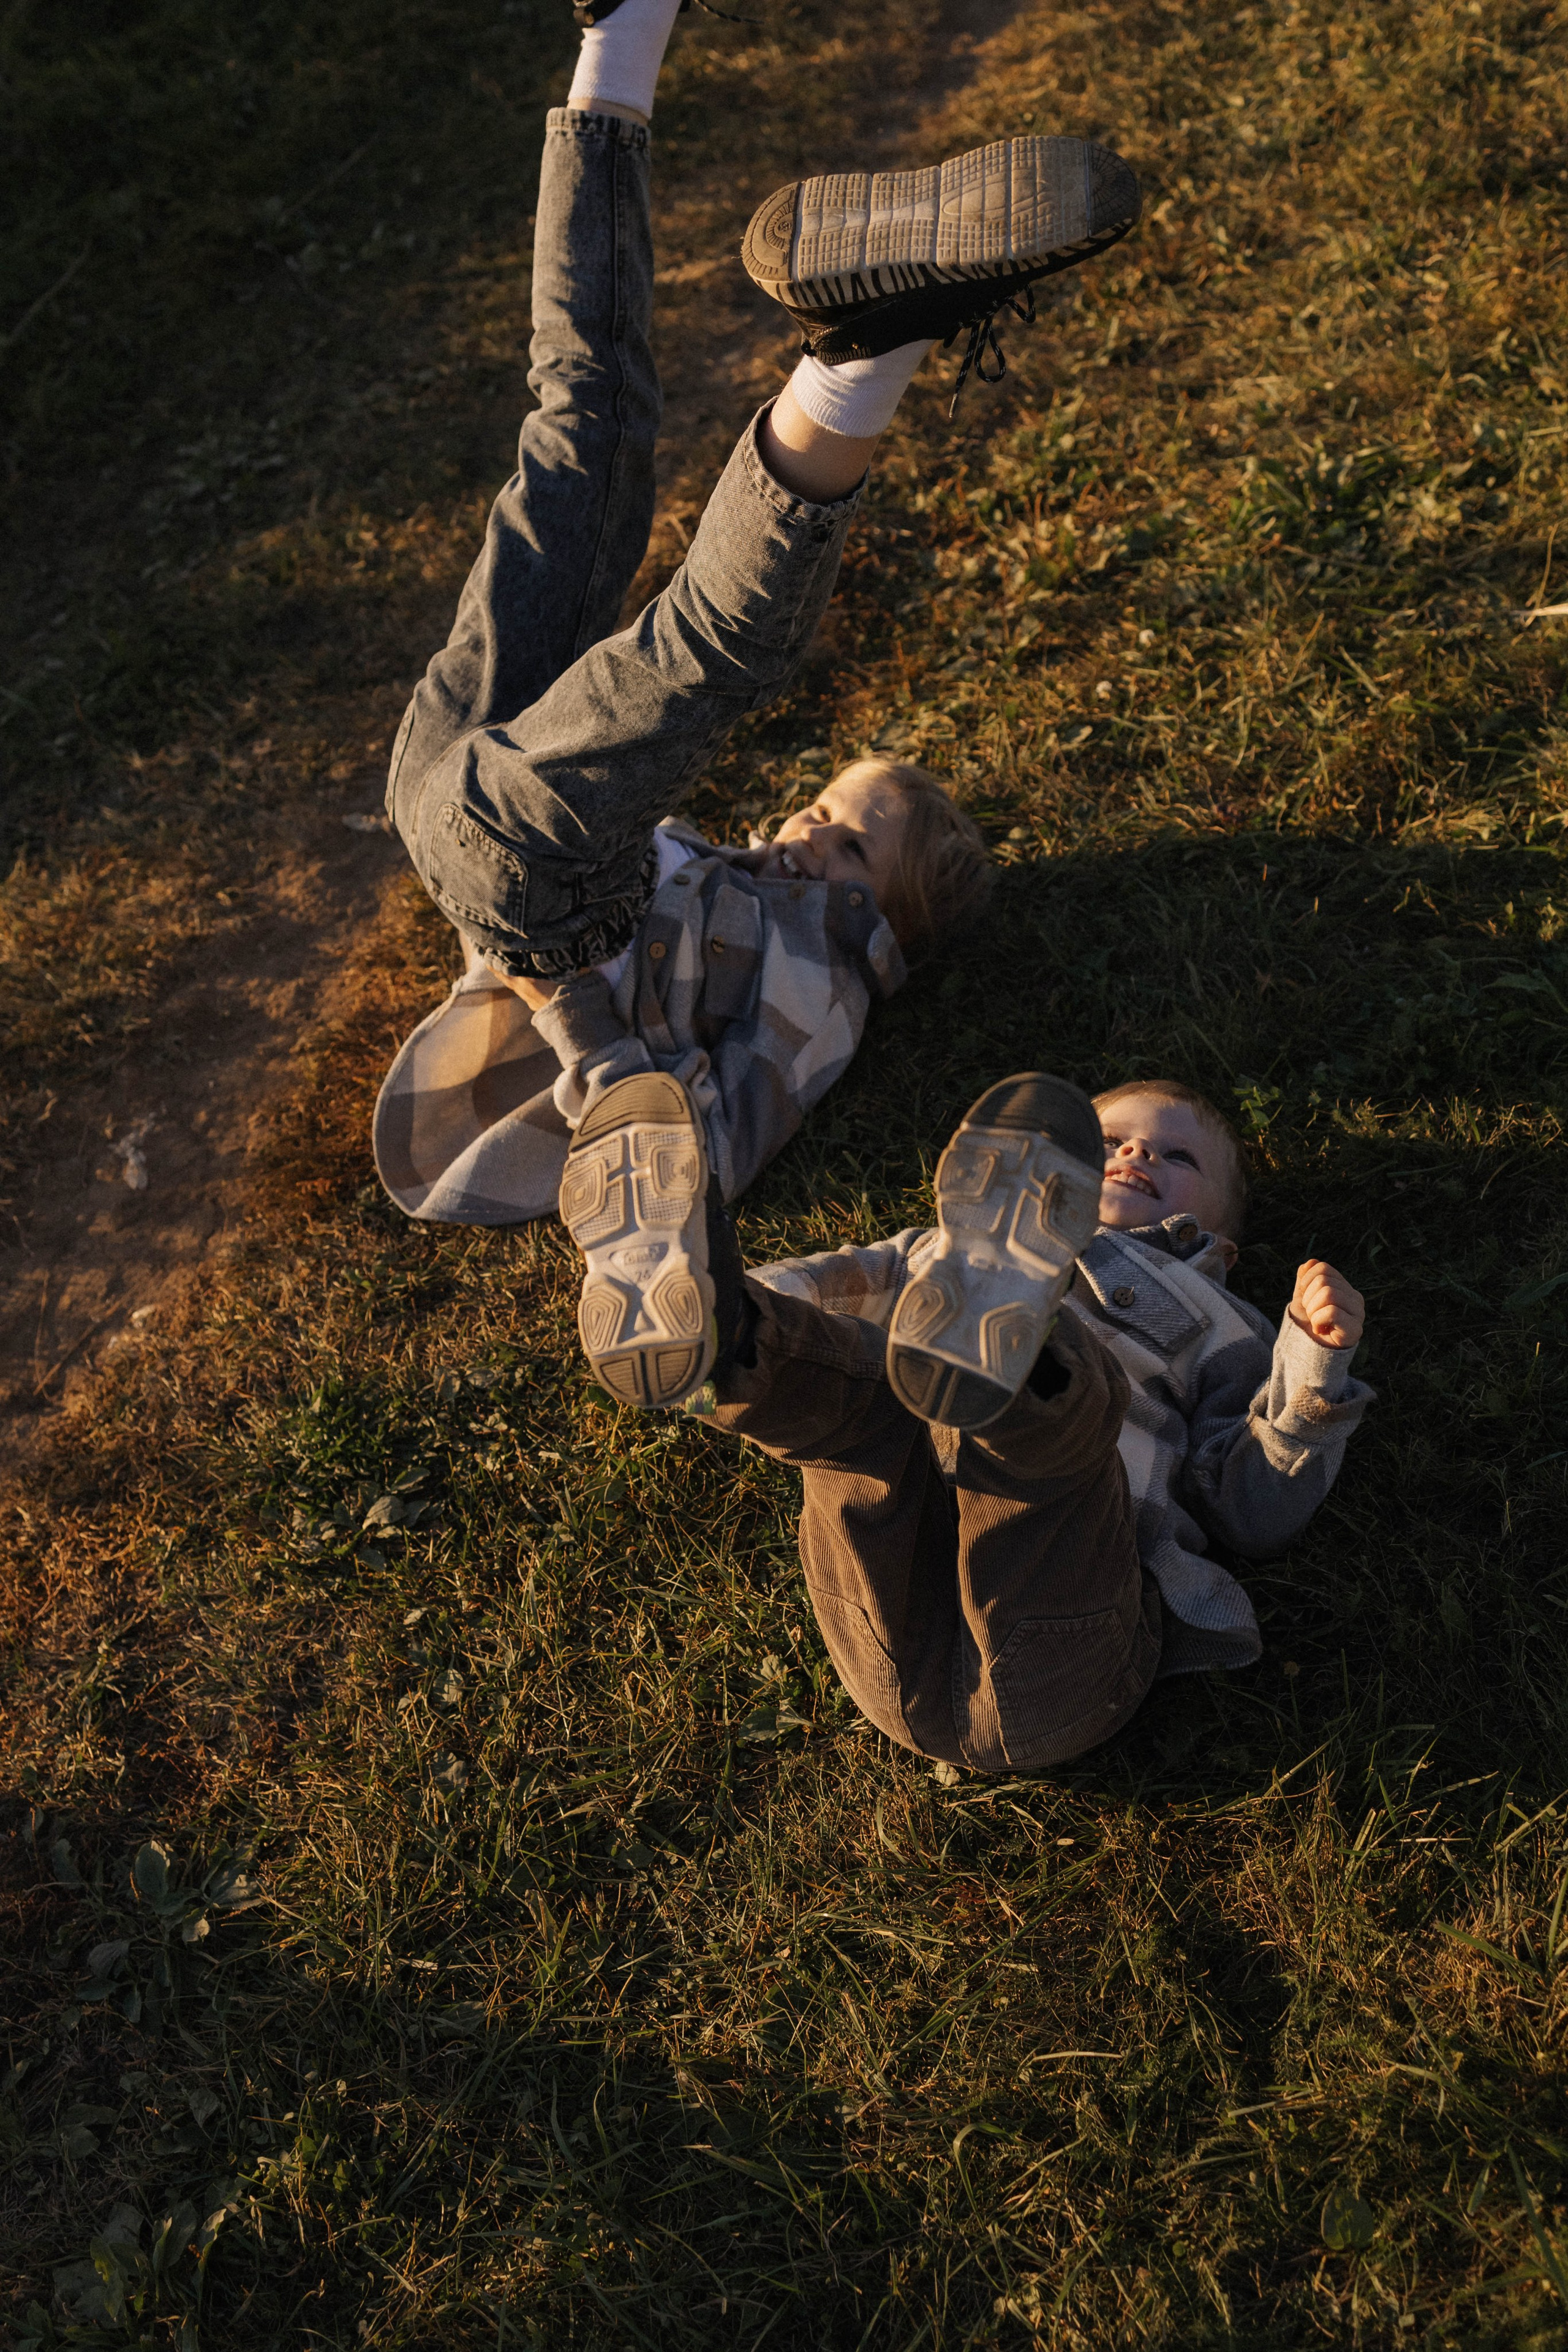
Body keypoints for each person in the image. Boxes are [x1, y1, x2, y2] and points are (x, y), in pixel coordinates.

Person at [374, 0, 1142, 1232]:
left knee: (715, 650)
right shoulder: (713, 866)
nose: (809, 838)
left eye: (850, 856)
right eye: (829, 813)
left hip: (522, 888)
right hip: (457, 775)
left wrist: (565, 1006)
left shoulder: (822, 1001)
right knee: (582, 435)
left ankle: (869, 343)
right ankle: (620, 39)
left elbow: (698, 1162)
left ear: (886, 934)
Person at [559, 1064, 1373, 1770]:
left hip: (1069, 1650)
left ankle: (1014, 1342)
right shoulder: (929, 1250)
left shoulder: (1222, 1317)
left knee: (1055, 1439)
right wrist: (737, 1309)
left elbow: (1252, 1508)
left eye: (1176, 1155)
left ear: (1222, 1243)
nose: (1136, 1154)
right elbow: (822, 1295)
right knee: (854, 1413)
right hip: (889, 1627)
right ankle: (720, 1328)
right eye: (1110, 1140)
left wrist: (1311, 1368)